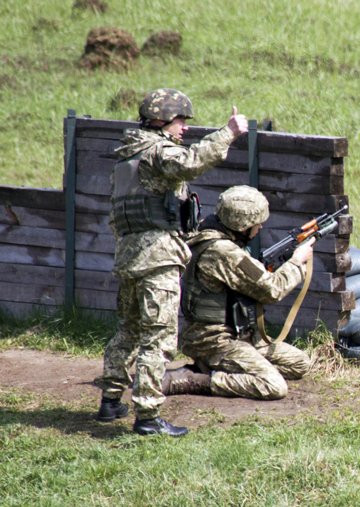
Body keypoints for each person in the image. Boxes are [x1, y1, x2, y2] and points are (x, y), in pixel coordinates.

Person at [94, 88, 248, 437]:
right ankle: (147, 417)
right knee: (158, 337)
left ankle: (110, 399)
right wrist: (229, 133)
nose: (185, 129)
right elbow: (190, 163)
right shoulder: (159, 151)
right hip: (158, 259)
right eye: (180, 121)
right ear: (161, 121)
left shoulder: (127, 159)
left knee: (129, 329)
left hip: (130, 258)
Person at [161, 185, 313, 400]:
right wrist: (297, 263)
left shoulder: (209, 234)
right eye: (256, 223)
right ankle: (195, 379)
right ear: (242, 225)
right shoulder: (224, 251)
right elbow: (272, 290)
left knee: (299, 364)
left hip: (239, 336)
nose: (260, 227)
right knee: (273, 386)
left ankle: (230, 370)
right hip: (214, 341)